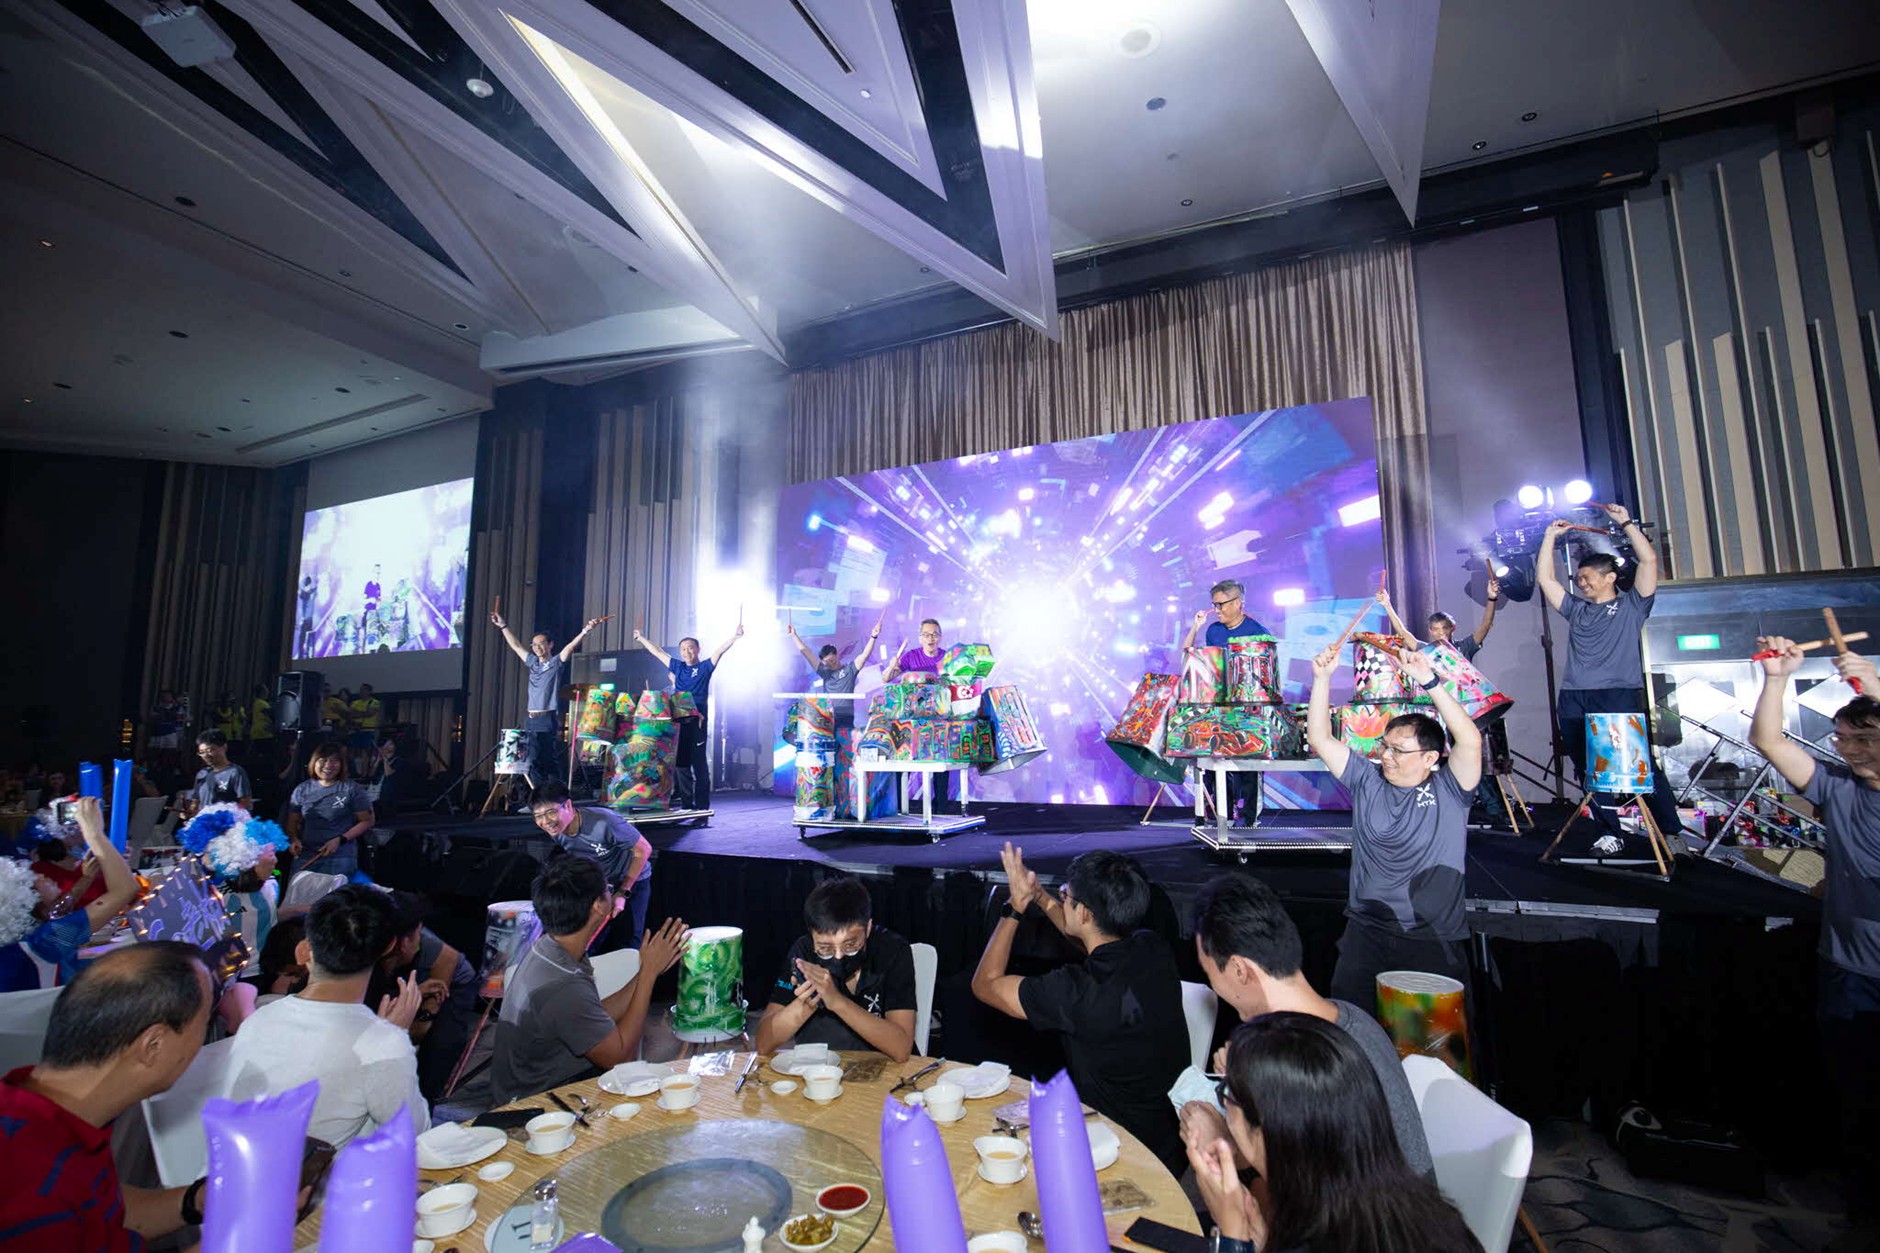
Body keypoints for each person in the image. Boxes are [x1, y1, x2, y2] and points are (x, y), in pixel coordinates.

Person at [1185, 872, 1434, 1180]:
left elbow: (1299, 1197)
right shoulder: (1351, 1017)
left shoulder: (1305, 1064)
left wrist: (1223, 1139)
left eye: (1210, 974)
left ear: (1239, 969)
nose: (1213, 986)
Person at [1750, 640, 1880, 1215]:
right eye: (1844, 739)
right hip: (1848, 972)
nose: (1849, 749)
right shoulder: (1839, 787)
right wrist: (1776, 680)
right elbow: (1769, 741)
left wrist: (1873, 687)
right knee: (1858, 1103)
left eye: (1864, 738)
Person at [972, 843, 1188, 1171]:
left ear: (1084, 913)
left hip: (1118, 1152)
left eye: (1066, 896)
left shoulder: (1075, 991)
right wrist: (1042, 897)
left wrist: (1015, 907)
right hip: (1169, 1142)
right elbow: (1086, 937)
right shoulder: (1152, 948)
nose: (1063, 900)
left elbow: (984, 985)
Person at [1188, 1013, 1481, 1253]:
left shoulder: (1319, 1234)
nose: (1224, 1103)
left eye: (1228, 1093)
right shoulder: (1419, 1211)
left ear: (1272, 1131)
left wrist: (1232, 1236)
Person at [0, 942, 216, 1251]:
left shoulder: (43, 1105)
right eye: (204, 1022)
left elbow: (102, 1210)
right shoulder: (35, 1190)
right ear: (153, 1045)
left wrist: (201, 1198)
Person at [1306, 639, 1480, 1008]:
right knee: (1355, 1032)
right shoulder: (1367, 780)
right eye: (1384, 746)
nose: (1386, 756)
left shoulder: (1450, 789)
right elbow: (1320, 739)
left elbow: (1470, 740)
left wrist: (1430, 681)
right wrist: (1321, 679)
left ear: (1431, 757)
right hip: (1365, 932)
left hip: (1429, 940)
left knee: (1428, 1050)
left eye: (1398, 751)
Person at [227, 884, 429, 1147]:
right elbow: (415, 1134)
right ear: (389, 945)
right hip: (316, 1184)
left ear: (304, 949)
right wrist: (396, 1034)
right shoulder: (381, 1043)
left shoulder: (261, 1017)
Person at [1536, 503, 1682, 850]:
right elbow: (1546, 579)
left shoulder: (1633, 605)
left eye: (1587, 578)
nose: (1581, 583)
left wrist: (1627, 523)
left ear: (1610, 577)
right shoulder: (1577, 609)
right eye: (1579, 579)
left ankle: (1672, 833)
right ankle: (1610, 832)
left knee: (1637, 763)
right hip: (1575, 696)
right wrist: (1548, 538)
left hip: (1617, 694)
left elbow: (1648, 562)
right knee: (1588, 767)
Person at [489, 856, 688, 1105]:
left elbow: (593, 1016)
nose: (611, 893)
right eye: (607, 889)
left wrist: (648, 971)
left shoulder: (552, 948)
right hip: (539, 1106)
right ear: (598, 906)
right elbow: (620, 1059)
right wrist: (647, 976)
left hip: (543, 1090)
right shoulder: (562, 984)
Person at [755, 876, 916, 1061]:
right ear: (812, 935)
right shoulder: (803, 953)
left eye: (850, 945)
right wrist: (810, 999)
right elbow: (763, 1043)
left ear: (868, 928)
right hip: (819, 1070)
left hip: (883, 1069)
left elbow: (901, 1049)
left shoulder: (893, 951)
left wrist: (836, 1001)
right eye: (825, 948)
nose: (838, 956)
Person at [0, 798, 141, 992]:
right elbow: (125, 890)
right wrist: (95, 833)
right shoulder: (45, 942)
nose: (39, 874)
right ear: (24, 903)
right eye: (29, 882)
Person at [1183, 581, 1275, 825]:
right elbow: (1195, 659)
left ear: (1237, 603)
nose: (1218, 610)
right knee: (1215, 765)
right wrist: (1195, 626)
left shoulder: (1259, 632)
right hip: (1219, 708)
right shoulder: (1213, 631)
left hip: (1249, 711)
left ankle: (1249, 819)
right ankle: (1221, 812)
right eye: (1214, 605)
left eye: (1221, 604)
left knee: (1249, 766)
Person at [372, 892, 479, 1101]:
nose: (423, 938)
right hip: (405, 984)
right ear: (402, 943)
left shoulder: (439, 957)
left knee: (439, 1049)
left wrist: (416, 1005)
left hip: (452, 986)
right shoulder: (367, 951)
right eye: (419, 933)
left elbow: (418, 1032)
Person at [529, 781, 653, 953]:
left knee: (629, 940)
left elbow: (644, 850)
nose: (545, 821)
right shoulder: (556, 830)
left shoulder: (605, 822)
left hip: (632, 878)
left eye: (551, 812)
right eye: (538, 816)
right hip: (600, 883)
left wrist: (623, 892)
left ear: (569, 805)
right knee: (589, 939)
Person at [634, 623, 744, 811]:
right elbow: (658, 652)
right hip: (678, 722)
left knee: (699, 764)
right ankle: (686, 804)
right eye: (683, 649)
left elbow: (719, 651)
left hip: (697, 721)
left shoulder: (705, 667)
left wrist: (735, 637)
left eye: (690, 648)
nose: (686, 652)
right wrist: (641, 638)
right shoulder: (678, 667)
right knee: (681, 764)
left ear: (698, 649)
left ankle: (702, 807)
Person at [492, 608, 607, 788]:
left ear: (550, 645)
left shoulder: (555, 663)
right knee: (531, 759)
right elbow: (515, 645)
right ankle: (540, 797)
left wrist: (585, 630)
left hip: (546, 718)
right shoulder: (532, 663)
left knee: (545, 759)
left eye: (541, 643)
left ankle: (557, 794)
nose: (537, 647)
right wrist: (503, 626)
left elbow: (569, 647)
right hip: (530, 718)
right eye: (534, 645)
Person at [884, 619, 954, 809]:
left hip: (937, 720)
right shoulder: (911, 656)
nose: (931, 638)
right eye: (926, 634)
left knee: (939, 762)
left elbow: (956, 685)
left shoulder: (947, 659)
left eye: (934, 634)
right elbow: (886, 678)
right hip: (910, 721)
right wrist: (892, 666)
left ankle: (941, 807)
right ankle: (899, 806)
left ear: (940, 637)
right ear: (920, 637)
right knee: (903, 761)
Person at [283, 742, 374, 879]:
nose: (328, 765)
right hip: (306, 855)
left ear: (341, 764)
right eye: (323, 760)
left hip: (340, 856)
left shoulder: (352, 789)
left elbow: (367, 821)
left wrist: (340, 840)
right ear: (314, 763)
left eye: (334, 761)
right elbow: (292, 823)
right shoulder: (302, 789)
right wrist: (294, 839)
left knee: (334, 899)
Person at [787, 621, 880, 731]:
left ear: (837, 655)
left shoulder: (850, 670)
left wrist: (873, 636)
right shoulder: (825, 672)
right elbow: (807, 653)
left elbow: (864, 655)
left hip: (845, 718)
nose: (831, 663)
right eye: (827, 662)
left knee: (844, 745)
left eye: (832, 659)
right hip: (827, 717)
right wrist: (794, 636)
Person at [186, 729, 252, 817]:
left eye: (210, 750)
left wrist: (227, 818)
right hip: (204, 825)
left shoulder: (235, 772)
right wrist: (189, 811)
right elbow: (196, 801)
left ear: (224, 747)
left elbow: (245, 803)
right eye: (202, 752)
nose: (206, 755)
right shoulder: (202, 774)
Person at [30, 837, 106, 911]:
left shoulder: (84, 855)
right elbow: (57, 910)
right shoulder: (39, 869)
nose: (41, 876)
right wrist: (87, 877)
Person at [348, 684, 383, 775]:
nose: (361, 692)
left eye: (364, 690)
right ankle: (355, 772)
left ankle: (364, 773)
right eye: (361, 690)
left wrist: (357, 713)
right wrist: (363, 713)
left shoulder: (374, 702)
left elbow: (370, 713)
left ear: (369, 691)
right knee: (354, 751)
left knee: (366, 751)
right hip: (355, 729)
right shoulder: (355, 702)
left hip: (368, 729)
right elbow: (350, 714)